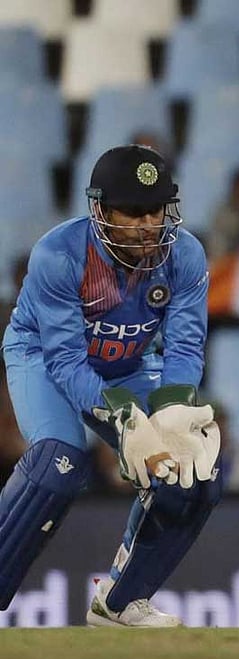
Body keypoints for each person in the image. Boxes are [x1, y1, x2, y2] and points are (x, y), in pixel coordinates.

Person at [0, 144, 222, 627]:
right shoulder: (59, 256)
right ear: (100, 209)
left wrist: (173, 415)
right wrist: (125, 420)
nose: (147, 225)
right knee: (59, 463)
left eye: (155, 210)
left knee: (195, 471)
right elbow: (65, 362)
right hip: (44, 359)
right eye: (133, 212)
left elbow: (184, 350)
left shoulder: (184, 254)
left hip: (127, 363)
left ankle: (119, 602)